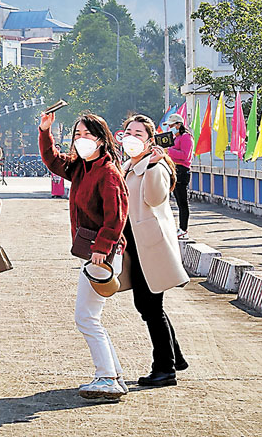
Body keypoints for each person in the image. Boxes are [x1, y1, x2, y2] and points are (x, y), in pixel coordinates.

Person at [38, 111, 128, 401]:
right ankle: (113, 374)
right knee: (90, 316)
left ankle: (107, 378)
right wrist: (45, 131)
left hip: (103, 255)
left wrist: (102, 248)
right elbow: (53, 161)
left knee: (86, 317)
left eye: (87, 135)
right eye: (76, 135)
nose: (80, 140)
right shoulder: (81, 168)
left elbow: (117, 217)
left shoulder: (108, 172)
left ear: (102, 140)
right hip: (92, 253)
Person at [120, 115, 190, 387]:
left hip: (152, 246)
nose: (132, 137)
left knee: (151, 307)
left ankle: (164, 368)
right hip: (135, 246)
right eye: (128, 132)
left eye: (138, 133)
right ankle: (176, 356)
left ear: (150, 139)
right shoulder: (127, 166)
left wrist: (150, 166)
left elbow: (154, 198)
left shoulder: (156, 166)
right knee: (146, 305)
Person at [165, 113, 194, 238]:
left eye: (171, 125)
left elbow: (185, 155)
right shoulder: (175, 138)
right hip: (174, 169)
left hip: (182, 170)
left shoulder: (186, 137)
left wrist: (168, 150)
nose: (170, 127)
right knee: (175, 200)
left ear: (178, 125)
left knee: (182, 202)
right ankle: (179, 228)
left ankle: (183, 229)